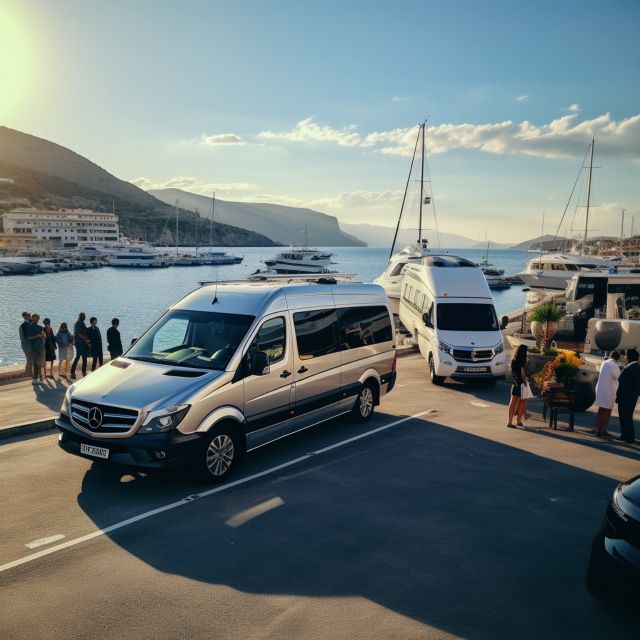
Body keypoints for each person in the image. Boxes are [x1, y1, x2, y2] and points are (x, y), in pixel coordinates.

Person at [594, 351, 621, 437]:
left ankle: (598, 429)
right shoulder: (614, 365)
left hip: (601, 389)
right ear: (617, 358)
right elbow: (617, 375)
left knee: (601, 410)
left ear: (610, 356)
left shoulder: (605, 362)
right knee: (607, 410)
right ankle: (603, 430)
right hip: (609, 391)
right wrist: (621, 369)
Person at [615, 348, 640, 444]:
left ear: (628, 357)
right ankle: (627, 436)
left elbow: (625, 384)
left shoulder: (630, 369)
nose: (624, 357)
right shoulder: (636, 368)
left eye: (625, 355)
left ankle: (627, 437)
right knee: (627, 417)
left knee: (625, 417)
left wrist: (625, 395)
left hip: (625, 397)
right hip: (631, 397)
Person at [508, 344, 528, 428]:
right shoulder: (522, 361)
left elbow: (512, 371)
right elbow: (523, 374)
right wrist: (526, 382)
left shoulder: (514, 359)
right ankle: (519, 420)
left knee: (512, 403)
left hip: (515, 383)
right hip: (521, 384)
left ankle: (509, 422)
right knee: (522, 402)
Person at [25, 313, 46, 385]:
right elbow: (28, 338)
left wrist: (43, 335)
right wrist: (37, 336)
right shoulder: (29, 327)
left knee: (38, 364)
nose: (36, 320)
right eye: (35, 318)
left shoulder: (40, 327)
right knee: (35, 364)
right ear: (32, 318)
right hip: (34, 348)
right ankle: (34, 379)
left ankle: (35, 379)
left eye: (37, 319)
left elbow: (44, 337)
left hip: (40, 347)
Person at [70, 312, 90, 379]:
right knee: (78, 357)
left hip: (82, 343)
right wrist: (85, 339)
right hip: (79, 343)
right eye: (84, 316)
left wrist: (86, 341)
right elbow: (78, 334)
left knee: (84, 358)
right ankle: (72, 373)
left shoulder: (81, 323)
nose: (85, 317)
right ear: (81, 317)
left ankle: (84, 372)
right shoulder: (78, 323)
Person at [19, 311, 33, 377]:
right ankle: (29, 373)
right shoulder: (24, 326)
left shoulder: (25, 325)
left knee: (29, 359)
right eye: (30, 317)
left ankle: (27, 371)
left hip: (26, 345)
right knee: (29, 359)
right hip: (27, 345)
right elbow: (27, 337)